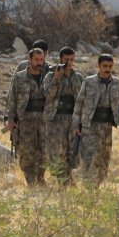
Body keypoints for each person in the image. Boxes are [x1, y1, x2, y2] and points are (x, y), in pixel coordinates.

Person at [72, 54, 119, 187]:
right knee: (90, 157)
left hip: (107, 126)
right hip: (90, 126)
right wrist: (75, 125)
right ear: (98, 66)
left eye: (110, 66)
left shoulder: (116, 83)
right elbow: (79, 104)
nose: (107, 69)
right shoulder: (88, 82)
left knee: (104, 159)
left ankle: (95, 186)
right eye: (104, 66)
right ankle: (88, 187)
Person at [5, 47, 49, 185]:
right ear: (29, 60)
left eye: (41, 60)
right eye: (36, 59)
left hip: (43, 120)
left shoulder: (48, 77)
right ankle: (30, 181)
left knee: (44, 151)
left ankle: (41, 178)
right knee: (27, 151)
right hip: (25, 120)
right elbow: (12, 99)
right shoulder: (19, 77)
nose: (39, 62)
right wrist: (11, 119)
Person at [42, 46, 84, 184]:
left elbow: (82, 99)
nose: (69, 62)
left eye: (72, 59)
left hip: (73, 119)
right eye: (67, 59)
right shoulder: (50, 76)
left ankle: (68, 179)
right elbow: (48, 95)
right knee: (57, 150)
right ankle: (63, 182)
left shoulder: (78, 77)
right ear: (61, 59)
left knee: (73, 151)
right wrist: (57, 79)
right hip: (56, 119)